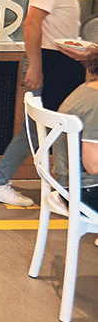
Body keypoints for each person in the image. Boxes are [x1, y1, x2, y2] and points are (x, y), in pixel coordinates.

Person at [0, 0, 98, 206]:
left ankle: (62, 189)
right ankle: (0, 182)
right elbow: (32, 22)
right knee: (40, 128)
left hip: (62, 62)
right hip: (49, 62)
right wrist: (34, 66)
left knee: (49, 127)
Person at [53, 45, 98, 210]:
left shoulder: (85, 90)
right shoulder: (96, 105)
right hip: (87, 192)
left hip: (68, 186)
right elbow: (93, 166)